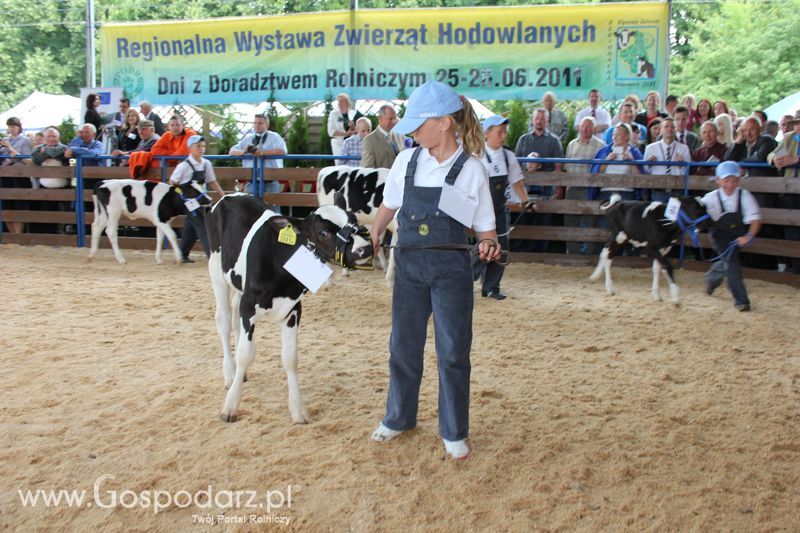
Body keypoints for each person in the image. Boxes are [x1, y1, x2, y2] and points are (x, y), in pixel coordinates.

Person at [366, 81, 500, 460]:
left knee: (453, 351)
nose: (410, 130)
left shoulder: (473, 170)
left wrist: (489, 244)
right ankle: (398, 418)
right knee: (403, 346)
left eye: (417, 123)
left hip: (450, 272)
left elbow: (486, 228)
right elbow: (389, 206)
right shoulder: (407, 161)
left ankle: (454, 430)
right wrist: (376, 231)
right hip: (407, 268)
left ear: (443, 123)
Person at [473, 114, 532, 299]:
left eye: (505, 132)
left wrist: (525, 200)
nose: (503, 135)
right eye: (499, 132)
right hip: (480, 210)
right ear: (487, 133)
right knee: (484, 246)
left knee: (502, 247)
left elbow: (516, 181)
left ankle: (491, 287)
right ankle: (465, 278)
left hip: (499, 209)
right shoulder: (477, 155)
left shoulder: (508, 156)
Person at [702, 161, 761, 311]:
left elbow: (755, 219)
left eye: (734, 180)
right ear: (718, 180)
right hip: (719, 235)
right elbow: (695, 212)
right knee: (732, 263)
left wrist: (748, 236)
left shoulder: (744, 195)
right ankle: (741, 300)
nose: (730, 184)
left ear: (739, 180)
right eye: (726, 180)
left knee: (727, 261)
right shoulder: (709, 198)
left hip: (738, 236)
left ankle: (711, 279)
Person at [168, 135, 225, 263]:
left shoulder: (206, 164)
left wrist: (222, 194)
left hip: (201, 200)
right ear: (190, 148)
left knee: (191, 227)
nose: (201, 149)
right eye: (198, 146)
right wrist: (181, 196)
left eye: (203, 146)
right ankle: (213, 257)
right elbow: (172, 182)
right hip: (189, 201)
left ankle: (182, 254)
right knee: (203, 226)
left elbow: (212, 181)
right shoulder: (184, 166)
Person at [514, 108, 563, 253]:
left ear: (547, 121)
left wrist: (558, 190)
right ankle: (521, 253)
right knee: (522, 220)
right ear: (533, 120)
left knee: (543, 220)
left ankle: (540, 254)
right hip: (524, 188)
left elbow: (558, 166)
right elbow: (515, 165)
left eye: (542, 118)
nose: (539, 121)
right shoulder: (523, 139)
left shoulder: (554, 141)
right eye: (537, 118)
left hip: (545, 189)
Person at [564, 116, 605, 255]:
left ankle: (590, 254)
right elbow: (567, 167)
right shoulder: (571, 144)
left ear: (594, 129)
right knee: (570, 221)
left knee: (590, 221)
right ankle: (573, 253)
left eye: (588, 126)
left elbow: (600, 169)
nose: (585, 129)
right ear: (579, 127)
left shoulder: (600, 145)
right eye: (583, 126)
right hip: (572, 187)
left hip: (590, 189)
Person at [767, 110, 800, 273]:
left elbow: (794, 159)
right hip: (789, 190)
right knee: (790, 229)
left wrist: (797, 160)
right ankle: (795, 265)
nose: (798, 127)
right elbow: (772, 153)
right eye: (797, 123)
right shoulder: (789, 137)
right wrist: (774, 159)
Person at [229, 113, 287, 195]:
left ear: (267, 125)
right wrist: (244, 151)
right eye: (255, 123)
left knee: (271, 207)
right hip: (252, 181)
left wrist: (262, 153)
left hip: (270, 181)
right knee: (251, 207)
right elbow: (231, 151)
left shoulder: (274, 137)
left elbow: (282, 151)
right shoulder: (248, 139)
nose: (257, 125)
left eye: (260, 123)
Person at [128, 115, 197, 179]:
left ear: (183, 125)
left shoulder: (190, 133)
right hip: (171, 171)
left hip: (189, 170)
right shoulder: (167, 135)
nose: (175, 127)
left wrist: (168, 158)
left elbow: (184, 152)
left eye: (178, 125)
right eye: (172, 125)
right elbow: (155, 150)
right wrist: (172, 156)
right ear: (169, 127)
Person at [590, 123, 646, 202]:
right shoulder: (604, 151)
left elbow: (640, 177)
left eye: (618, 135)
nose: (614, 137)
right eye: (613, 135)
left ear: (627, 136)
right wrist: (606, 161)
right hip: (606, 192)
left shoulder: (634, 152)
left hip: (627, 193)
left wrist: (631, 162)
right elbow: (595, 175)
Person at [643, 117, 691, 202]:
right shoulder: (650, 148)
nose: (670, 129)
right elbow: (645, 169)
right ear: (661, 130)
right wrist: (648, 164)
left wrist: (682, 165)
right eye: (666, 126)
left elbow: (688, 171)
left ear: (676, 130)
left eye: (672, 127)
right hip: (658, 190)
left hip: (677, 190)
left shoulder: (684, 148)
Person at [0, 117, 33, 233]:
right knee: (6, 205)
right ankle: (12, 233)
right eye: (9, 126)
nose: (11, 129)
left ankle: (19, 233)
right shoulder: (4, 139)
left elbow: (28, 159)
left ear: (19, 127)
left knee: (20, 205)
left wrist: (10, 148)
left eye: (13, 126)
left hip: (19, 176)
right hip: (5, 175)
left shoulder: (25, 140)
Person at [362, 104, 405, 169]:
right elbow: (368, 169)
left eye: (395, 118)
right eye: (390, 119)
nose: (394, 121)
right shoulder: (369, 140)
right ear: (380, 118)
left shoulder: (400, 136)